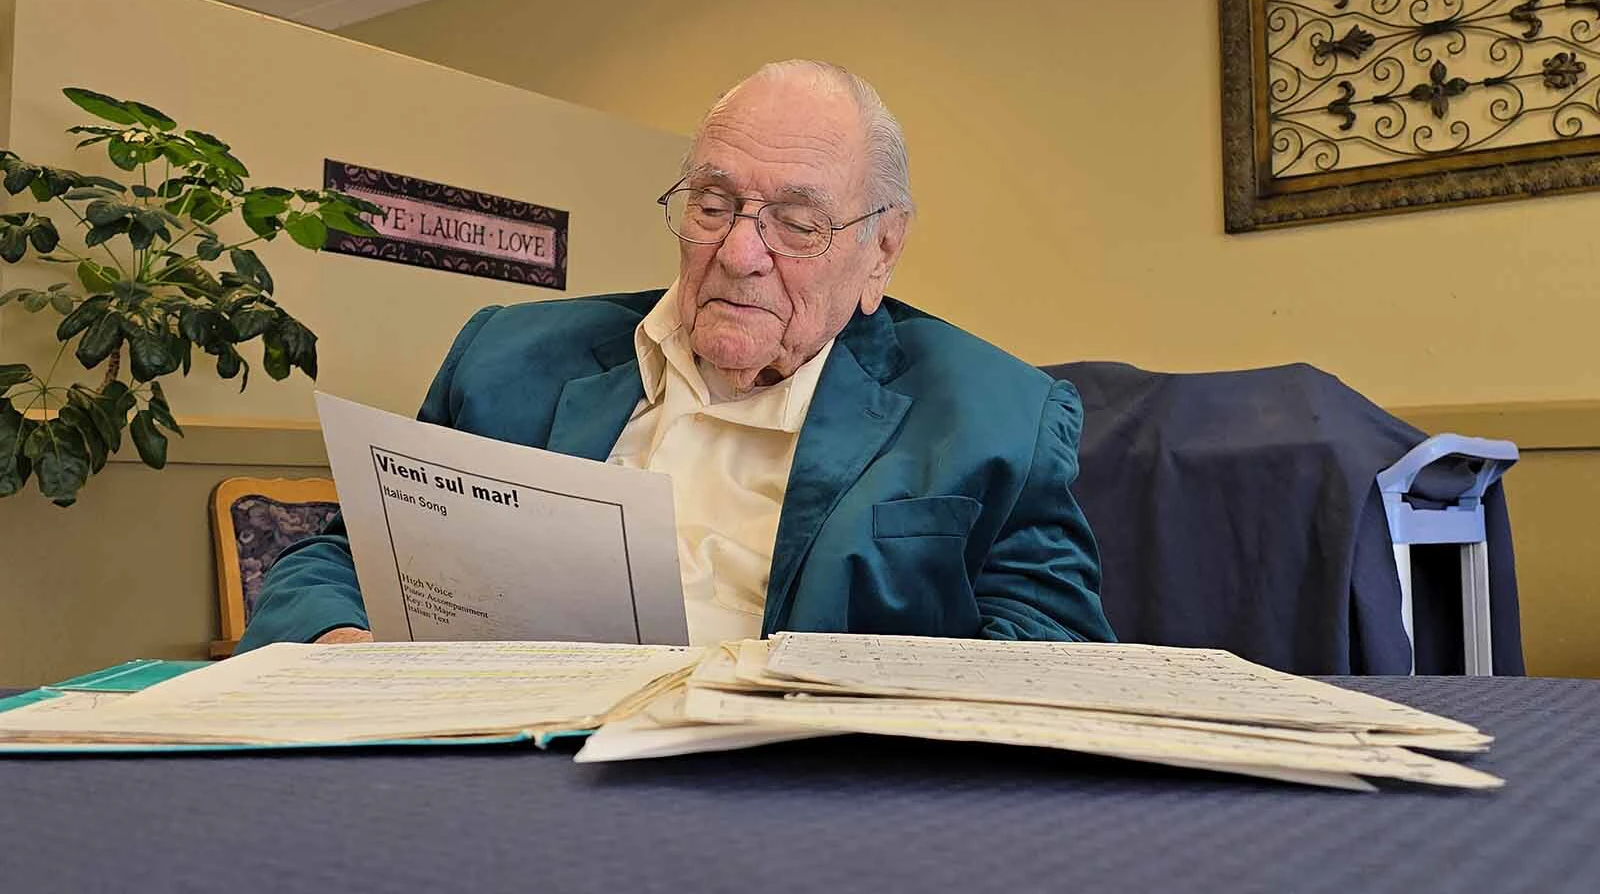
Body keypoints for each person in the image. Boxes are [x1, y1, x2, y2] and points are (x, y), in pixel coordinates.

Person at [239, 59, 1114, 651]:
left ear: (881, 252)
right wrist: (340, 645)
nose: (739, 252)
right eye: (712, 204)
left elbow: (1056, 654)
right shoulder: (509, 358)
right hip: (507, 776)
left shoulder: (996, 414)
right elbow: (339, 560)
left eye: (798, 224)